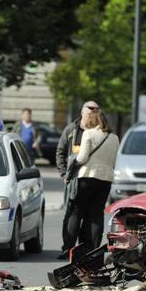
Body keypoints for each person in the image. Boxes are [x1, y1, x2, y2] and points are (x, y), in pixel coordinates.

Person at [66, 110, 119, 255]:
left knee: (76, 212)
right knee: (96, 214)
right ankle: (94, 249)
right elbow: (113, 162)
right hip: (105, 180)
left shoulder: (88, 134)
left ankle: (69, 247)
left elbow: (82, 158)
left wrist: (73, 159)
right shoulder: (114, 138)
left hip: (87, 177)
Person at [56, 101, 100, 259]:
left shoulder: (99, 132)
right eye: (90, 111)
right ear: (82, 112)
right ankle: (67, 248)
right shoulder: (71, 130)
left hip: (92, 179)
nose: (92, 115)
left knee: (90, 216)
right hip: (73, 179)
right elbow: (60, 152)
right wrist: (63, 174)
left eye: (95, 112)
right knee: (72, 214)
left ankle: (86, 250)